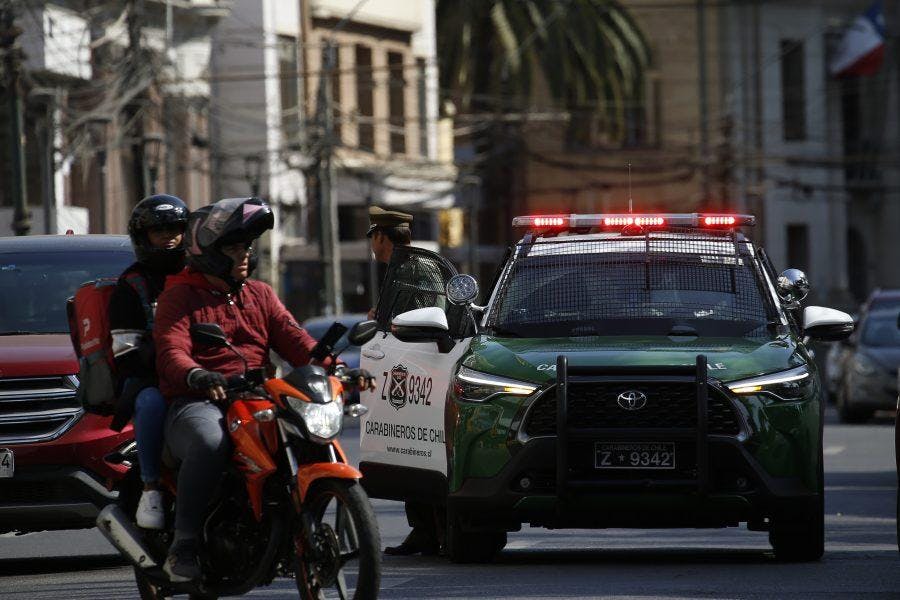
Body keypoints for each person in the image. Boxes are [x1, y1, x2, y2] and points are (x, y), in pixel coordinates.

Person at [154, 197, 372, 582]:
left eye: (246, 247)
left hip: (258, 398)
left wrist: (338, 369)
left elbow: (297, 340)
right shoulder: (180, 295)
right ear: (207, 252)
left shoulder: (260, 294)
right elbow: (171, 349)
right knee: (209, 443)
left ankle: (294, 530)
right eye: (233, 247)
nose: (243, 255)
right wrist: (196, 375)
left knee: (309, 436)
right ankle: (184, 544)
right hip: (200, 401)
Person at [366, 205, 446, 556]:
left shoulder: (417, 269)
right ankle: (424, 529)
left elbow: (432, 315)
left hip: (423, 373)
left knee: (423, 452)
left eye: (373, 238)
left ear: (381, 237)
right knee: (407, 454)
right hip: (405, 372)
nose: (372, 245)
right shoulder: (399, 269)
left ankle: (435, 528)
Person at [109, 194, 189, 530]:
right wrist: (163, 362)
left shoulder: (198, 274)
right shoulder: (131, 284)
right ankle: (152, 486)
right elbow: (125, 352)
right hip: (151, 377)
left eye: (175, 228)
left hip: (199, 374)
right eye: (160, 230)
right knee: (150, 402)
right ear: (143, 237)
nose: (169, 235)